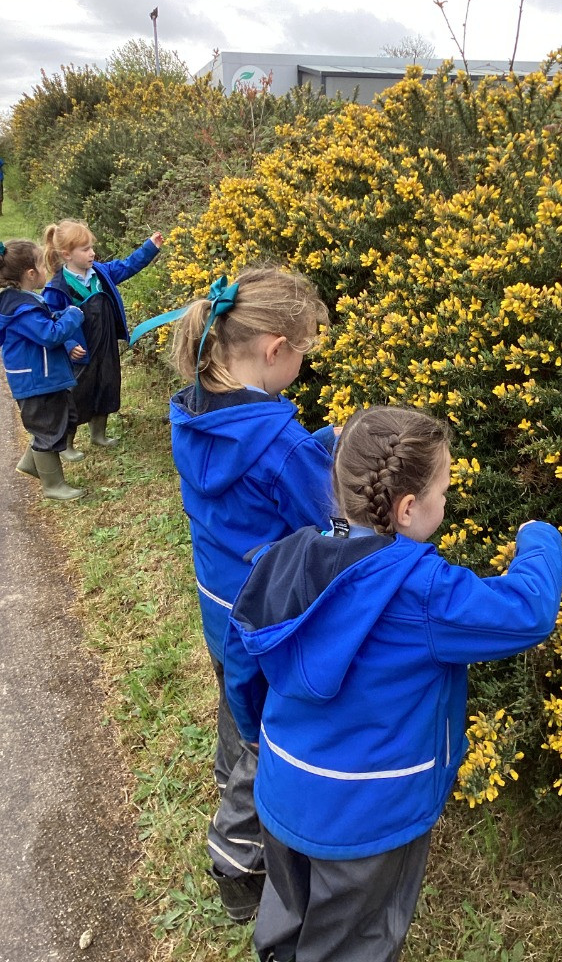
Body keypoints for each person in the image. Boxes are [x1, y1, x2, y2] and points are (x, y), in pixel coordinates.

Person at [224, 404, 562, 962]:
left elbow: (242, 659)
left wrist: (255, 736)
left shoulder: (288, 555)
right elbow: (526, 611)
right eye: (445, 489)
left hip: (284, 789)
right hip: (371, 814)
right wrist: (540, 539)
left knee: (287, 917)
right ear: (408, 507)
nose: (448, 500)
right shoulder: (424, 592)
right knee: (356, 942)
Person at [169, 266, 337, 923]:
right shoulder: (283, 448)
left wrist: (319, 447)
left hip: (221, 612)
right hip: (268, 628)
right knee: (263, 742)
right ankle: (238, 867)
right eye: (305, 350)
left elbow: (253, 489)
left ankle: (227, 782)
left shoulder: (193, 415)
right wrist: (328, 461)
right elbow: (323, 530)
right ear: (276, 349)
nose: (303, 362)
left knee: (236, 714)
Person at [42, 219, 163, 458]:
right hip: (82, 350)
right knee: (78, 393)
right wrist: (68, 344)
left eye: (91, 247)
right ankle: (67, 443)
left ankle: (99, 434)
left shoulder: (101, 273)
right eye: (85, 249)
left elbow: (128, 266)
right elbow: (52, 321)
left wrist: (150, 247)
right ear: (67, 254)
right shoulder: (57, 287)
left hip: (105, 343)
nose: (92, 253)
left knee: (107, 383)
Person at [0, 239, 86, 499]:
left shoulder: (26, 299)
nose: (47, 268)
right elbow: (49, 335)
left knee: (61, 420)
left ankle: (32, 463)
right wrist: (72, 314)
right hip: (35, 382)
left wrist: (58, 316)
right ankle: (52, 486)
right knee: (47, 429)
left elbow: (44, 324)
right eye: (42, 264)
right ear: (30, 273)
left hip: (46, 378)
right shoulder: (20, 308)